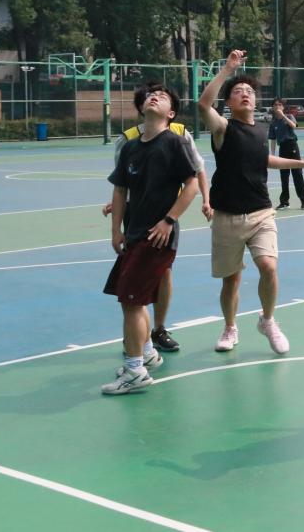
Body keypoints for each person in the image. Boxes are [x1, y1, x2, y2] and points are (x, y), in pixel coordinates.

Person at [199, 50, 304, 356]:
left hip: (261, 212)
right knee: (231, 280)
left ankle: (267, 321)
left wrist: (302, 163)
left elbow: (264, 159)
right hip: (227, 215)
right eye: (238, 91)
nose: (245, 94)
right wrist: (228, 70)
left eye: (250, 92)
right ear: (229, 103)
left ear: (255, 101)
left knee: (268, 266)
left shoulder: (260, 130)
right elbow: (203, 104)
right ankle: (230, 327)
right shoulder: (223, 128)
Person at [101, 85, 199, 394]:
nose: (154, 97)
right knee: (133, 300)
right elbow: (120, 190)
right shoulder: (131, 147)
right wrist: (116, 230)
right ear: (142, 107)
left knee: (132, 302)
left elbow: (192, 185)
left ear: (171, 113)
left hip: (156, 237)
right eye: (150, 96)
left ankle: (135, 371)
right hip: (133, 233)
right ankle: (145, 354)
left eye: (163, 97)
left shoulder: (174, 143)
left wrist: (169, 221)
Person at [268, 98, 304, 210]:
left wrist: (283, 116)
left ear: (283, 107)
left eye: (279, 104)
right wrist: (272, 154)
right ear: (273, 107)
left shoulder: (289, 116)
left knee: (297, 174)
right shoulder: (273, 123)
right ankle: (284, 202)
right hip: (282, 148)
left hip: (292, 146)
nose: (277, 106)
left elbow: (294, 126)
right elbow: (273, 140)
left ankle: (303, 200)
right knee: (284, 176)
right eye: (275, 105)